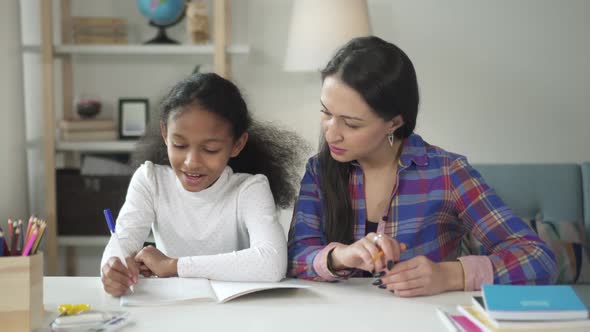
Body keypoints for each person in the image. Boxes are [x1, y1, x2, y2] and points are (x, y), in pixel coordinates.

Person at [287, 36, 557, 297]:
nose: (332, 134)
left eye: (352, 123)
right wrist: (342, 256)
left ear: (393, 123)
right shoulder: (319, 171)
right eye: (326, 113)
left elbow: (538, 258)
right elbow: (296, 258)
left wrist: (449, 276)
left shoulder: (448, 173)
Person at [101, 73, 307, 297]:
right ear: (165, 134)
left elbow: (272, 263)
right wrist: (114, 267)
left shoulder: (250, 188)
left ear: (237, 144)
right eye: (179, 145)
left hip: (237, 313)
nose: (192, 162)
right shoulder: (151, 181)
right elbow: (122, 241)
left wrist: (173, 266)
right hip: (173, 308)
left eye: (210, 150)